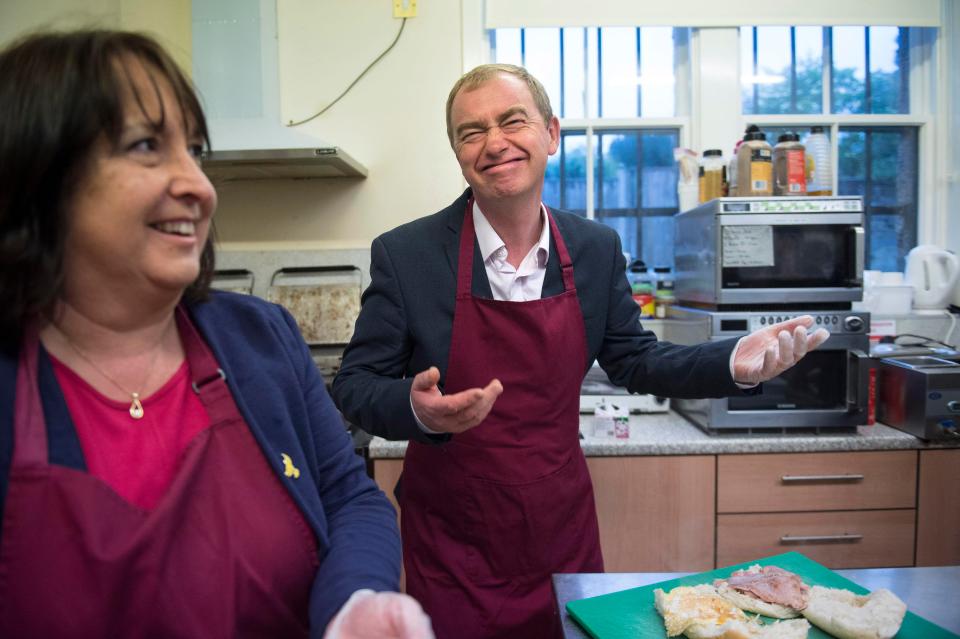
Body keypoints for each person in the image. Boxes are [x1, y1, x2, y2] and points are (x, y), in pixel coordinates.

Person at [331, 63, 831, 639]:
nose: (494, 142)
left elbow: (636, 360)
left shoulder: (595, 248)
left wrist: (729, 362)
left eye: (511, 120)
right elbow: (355, 384)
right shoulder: (407, 254)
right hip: (453, 543)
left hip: (558, 530)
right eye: (471, 132)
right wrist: (417, 410)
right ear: (458, 152)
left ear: (551, 133)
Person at [0, 29, 433, 639]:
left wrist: (355, 603)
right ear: (39, 176)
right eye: (147, 145)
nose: (199, 187)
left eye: (196, 151)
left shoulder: (259, 337)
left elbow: (347, 497)